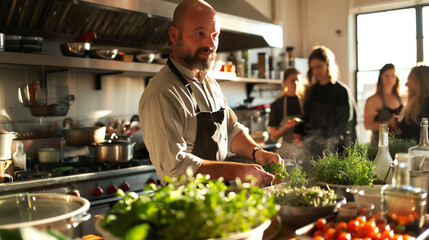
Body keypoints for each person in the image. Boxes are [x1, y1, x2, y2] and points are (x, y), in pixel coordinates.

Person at [138, 0, 283, 186]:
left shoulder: (209, 82)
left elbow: (229, 129)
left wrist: (257, 153)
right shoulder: (162, 93)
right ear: (174, 35)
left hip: (216, 199)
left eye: (215, 35)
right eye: (200, 34)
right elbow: (175, 168)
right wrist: (239, 171)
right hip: (186, 206)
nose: (210, 43)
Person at [293, 46, 357, 160]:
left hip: (338, 150)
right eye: (313, 68)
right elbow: (306, 117)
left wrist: (327, 142)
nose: (316, 71)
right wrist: (298, 132)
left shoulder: (341, 91)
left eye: (319, 66)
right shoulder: (311, 91)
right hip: (314, 149)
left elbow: (344, 122)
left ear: (328, 65)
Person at [268, 68, 304, 159]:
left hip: (304, 150)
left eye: (297, 80)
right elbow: (273, 136)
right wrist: (286, 127)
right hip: (287, 153)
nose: (295, 83)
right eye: (292, 81)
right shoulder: (277, 105)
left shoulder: (305, 102)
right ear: (285, 82)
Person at [364, 63, 403, 144]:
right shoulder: (373, 100)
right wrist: (388, 123)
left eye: (393, 75)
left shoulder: (402, 98)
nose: (390, 79)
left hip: (399, 143)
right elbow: (367, 125)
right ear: (381, 77)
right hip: (378, 144)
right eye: (386, 75)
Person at [397, 65, 429, 140]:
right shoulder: (416, 103)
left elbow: (417, 136)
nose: (406, 84)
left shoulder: (426, 106)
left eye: (409, 80)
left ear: (419, 83)